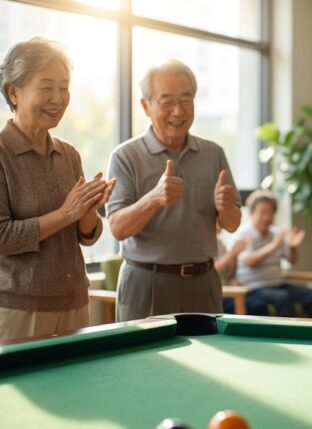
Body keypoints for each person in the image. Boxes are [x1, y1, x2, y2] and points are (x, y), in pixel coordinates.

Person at [107, 59, 241, 321]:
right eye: (167, 102)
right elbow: (118, 228)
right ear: (145, 106)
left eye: (186, 100)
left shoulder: (213, 153)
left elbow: (233, 224)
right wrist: (154, 199)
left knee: (208, 361)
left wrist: (226, 207)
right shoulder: (125, 156)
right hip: (147, 282)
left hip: (204, 282)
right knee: (143, 362)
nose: (178, 112)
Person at [0, 37, 113, 341]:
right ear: (14, 91)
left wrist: (88, 210)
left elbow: (85, 236)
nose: (58, 98)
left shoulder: (69, 154)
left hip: (75, 303)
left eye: (64, 88)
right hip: (21, 311)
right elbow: (2, 236)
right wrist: (66, 213)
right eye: (46, 87)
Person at [225, 190, 312, 318]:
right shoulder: (244, 234)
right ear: (251, 213)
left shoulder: (275, 233)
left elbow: (292, 260)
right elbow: (249, 262)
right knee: (284, 298)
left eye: (270, 212)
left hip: (278, 284)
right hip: (254, 287)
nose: (267, 217)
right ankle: (289, 338)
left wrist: (292, 247)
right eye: (263, 212)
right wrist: (274, 245)